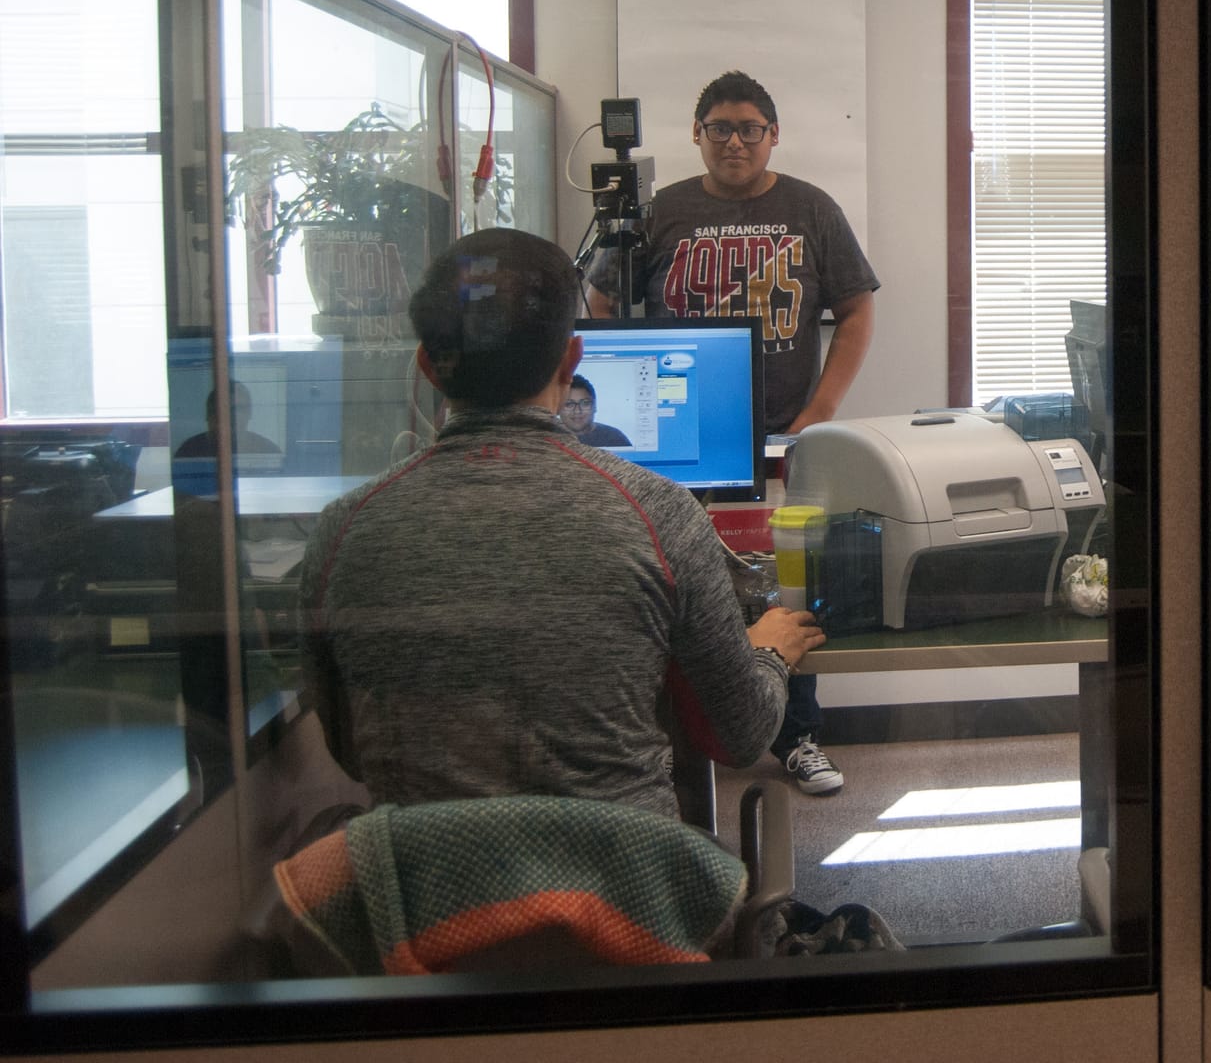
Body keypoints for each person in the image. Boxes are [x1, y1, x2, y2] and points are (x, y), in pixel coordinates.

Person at [297, 228, 824, 818]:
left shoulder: (342, 531)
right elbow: (741, 735)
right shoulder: (661, 514)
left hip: (426, 899)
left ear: (427, 368)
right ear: (571, 358)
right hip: (624, 894)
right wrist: (770, 654)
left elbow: (349, 749)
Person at [585, 70, 878, 796]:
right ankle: (672, 740)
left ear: (773, 135)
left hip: (782, 437)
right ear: (697, 135)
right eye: (720, 128)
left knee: (783, 583)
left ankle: (798, 736)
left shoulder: (812, 207)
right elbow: (598, 301)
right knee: (675, 583)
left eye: (750, 128)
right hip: (677, 441)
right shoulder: (661, 211)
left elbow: (857, 310)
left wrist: (822, 411)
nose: (735, 141)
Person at [174, 382, 281, 460]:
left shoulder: (267, 450)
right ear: (209, 415)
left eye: (239, 409)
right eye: (222, 409)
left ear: (249, 413)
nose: (231, 416)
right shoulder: (188, 451)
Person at [558, 374, 630, 447]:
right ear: (558, 407)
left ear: (595, 406)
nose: (577, 411)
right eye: (569, 404)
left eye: (585, 403)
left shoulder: (615, 439)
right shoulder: (547, 441)